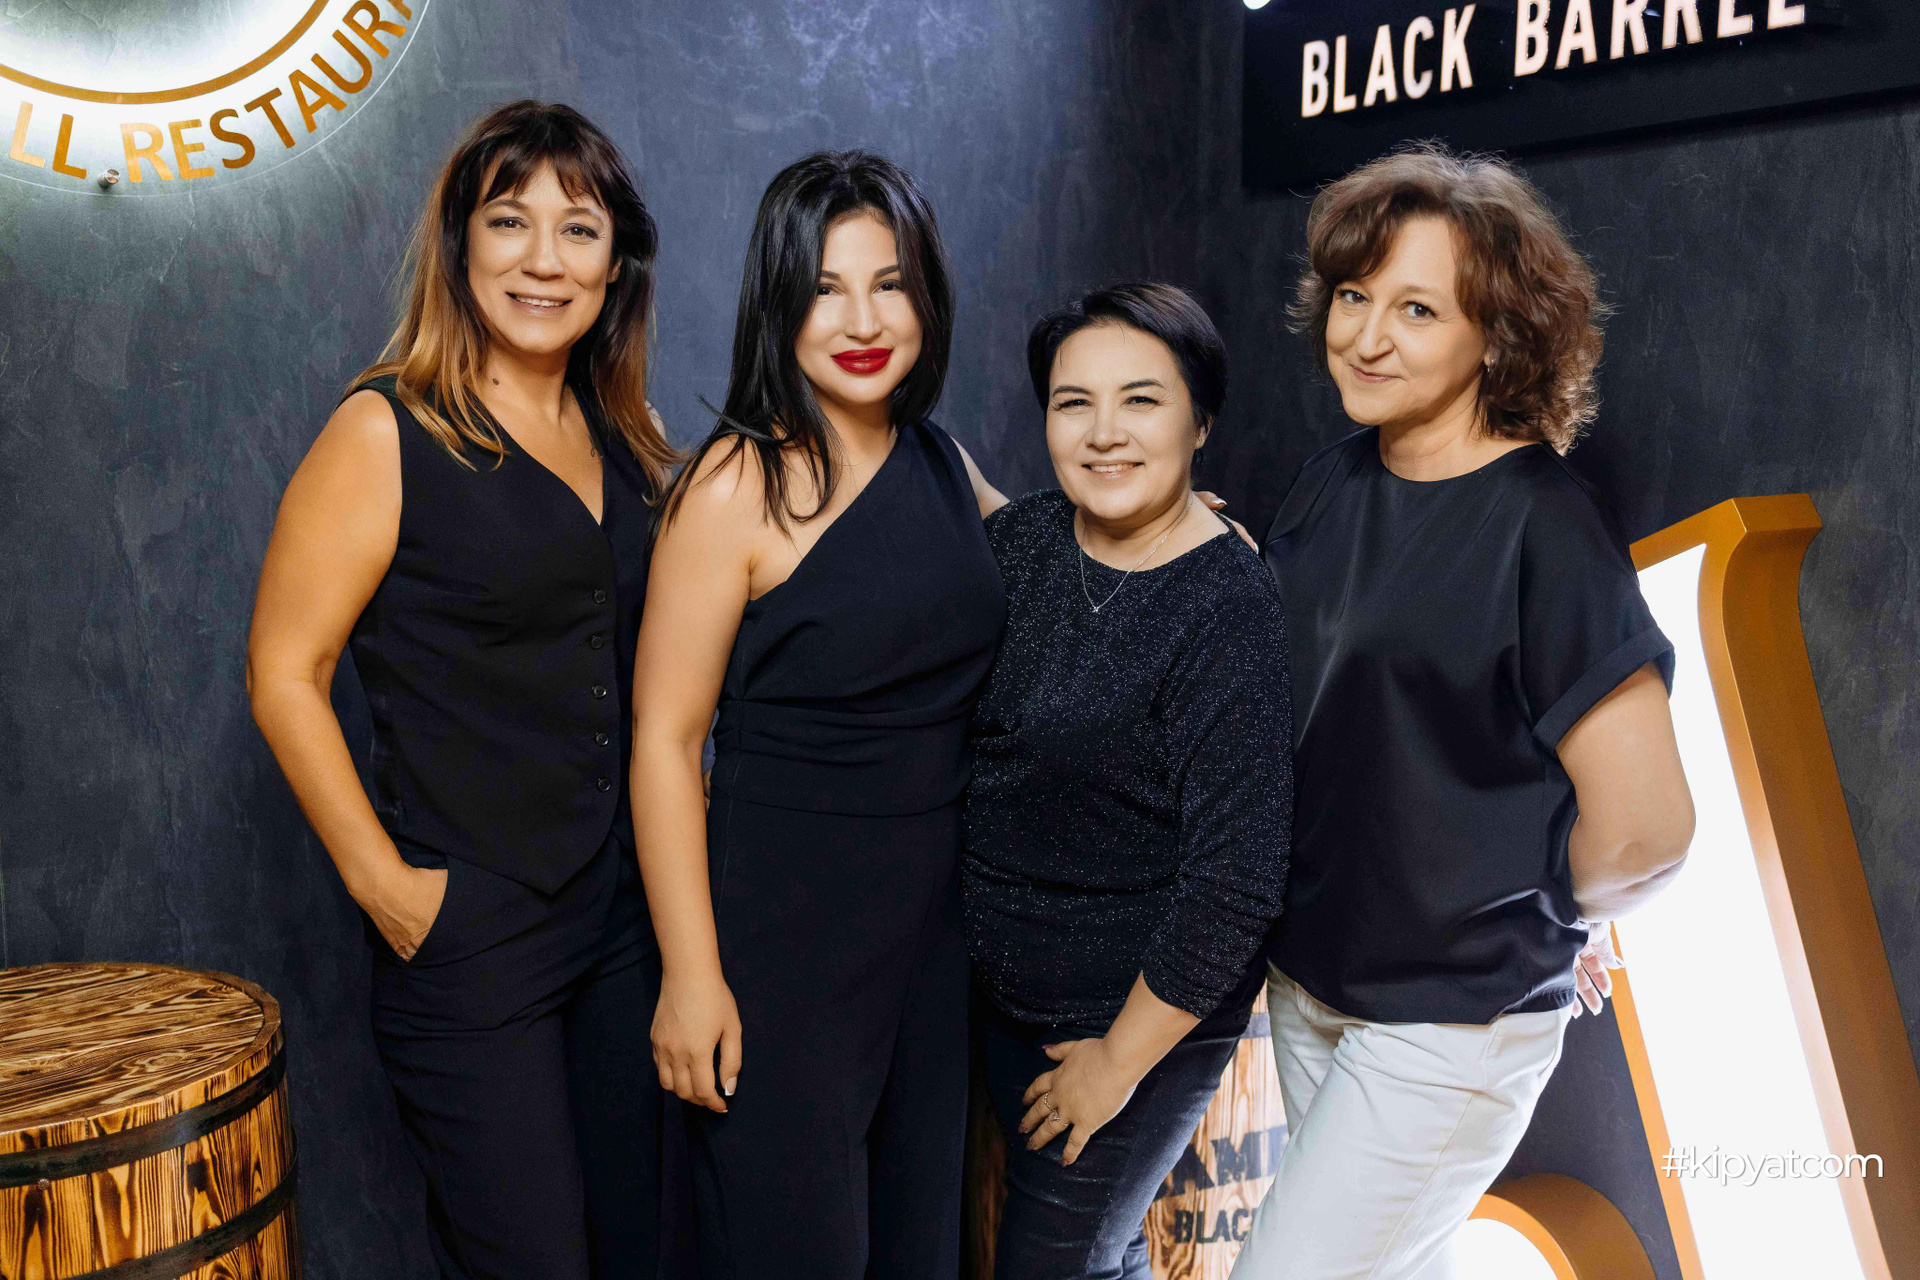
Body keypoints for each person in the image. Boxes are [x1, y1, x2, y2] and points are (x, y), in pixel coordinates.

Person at [1231, 143, 1696, 1280]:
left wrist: (1541, 913)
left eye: (1417, 309)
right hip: (1314, 983)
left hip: (1448, 1026)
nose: (1366, 335)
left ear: (1495, 335)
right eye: (1354, 296)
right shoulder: (1333, 481)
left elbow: (1648, 829)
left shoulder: (1546, 527)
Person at [247, 101, 682, 1280]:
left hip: (625, 921)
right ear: (459, 244)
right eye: (508, 221)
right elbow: (284, 670)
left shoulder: (626, 431)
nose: (545, 259)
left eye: (578, 229)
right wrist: (386, 889)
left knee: (642, 1246)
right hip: (472, 930)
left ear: (615, 263)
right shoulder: (384, 428)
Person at [629, 150, 1007, 1280]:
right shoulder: (734, 484)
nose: (863, 320)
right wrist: (690, 974)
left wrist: (1182, 523)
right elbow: (664, 744)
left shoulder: (941, 460)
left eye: (890, 284)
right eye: (826, 289)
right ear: (778, 304)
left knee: (917, 1250)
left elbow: (1056, 550)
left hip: (931, 934)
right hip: (783, 939)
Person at [964, 283, 1292, 1280]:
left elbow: (1235, 884)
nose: (1104, 433)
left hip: (1133, 1013)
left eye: (1141, 401)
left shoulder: (1228, 605)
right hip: (997, 992)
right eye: (1075, 403)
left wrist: (1114, 1064)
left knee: (1061, 1264)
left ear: (1201, 422)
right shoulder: (1023, 542)